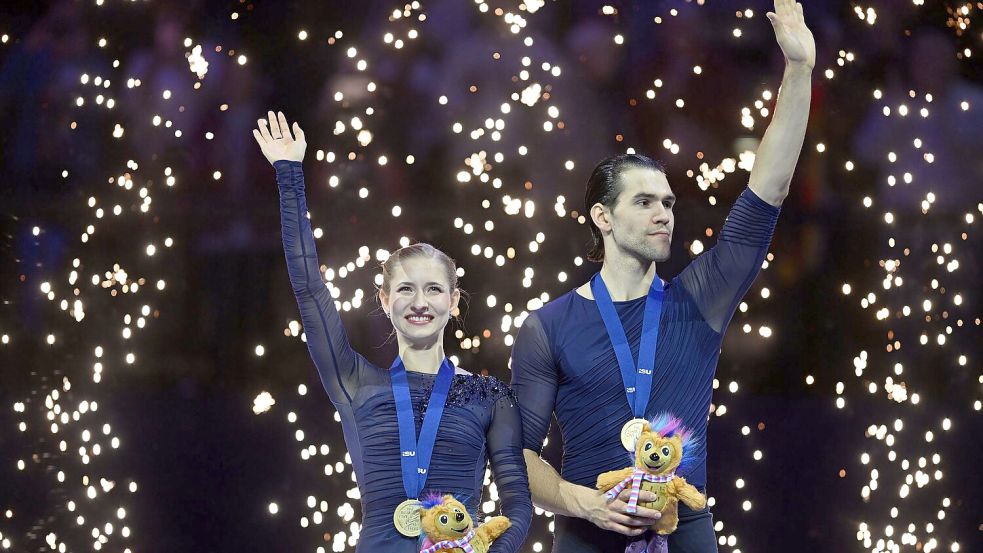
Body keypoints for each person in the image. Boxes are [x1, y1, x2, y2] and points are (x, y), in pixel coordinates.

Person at [510, 1, 814, 551]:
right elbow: (518, 456)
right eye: (645, 201)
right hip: (585, 534)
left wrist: (798, 72)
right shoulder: (548, 326)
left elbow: (768, 190)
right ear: (603, 217)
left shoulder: (698, 302)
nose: (663, 215)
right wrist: (587, 505)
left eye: (669, 203)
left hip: (686, 533)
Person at [253, 111, 531, 552]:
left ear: (454, 302)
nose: (419, 302)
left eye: (433, 289)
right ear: (384, 300)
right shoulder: (356, 383)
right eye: (405, 289)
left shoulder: (490, 396)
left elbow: (518, 504)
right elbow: (308, 287)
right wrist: (289, 174)